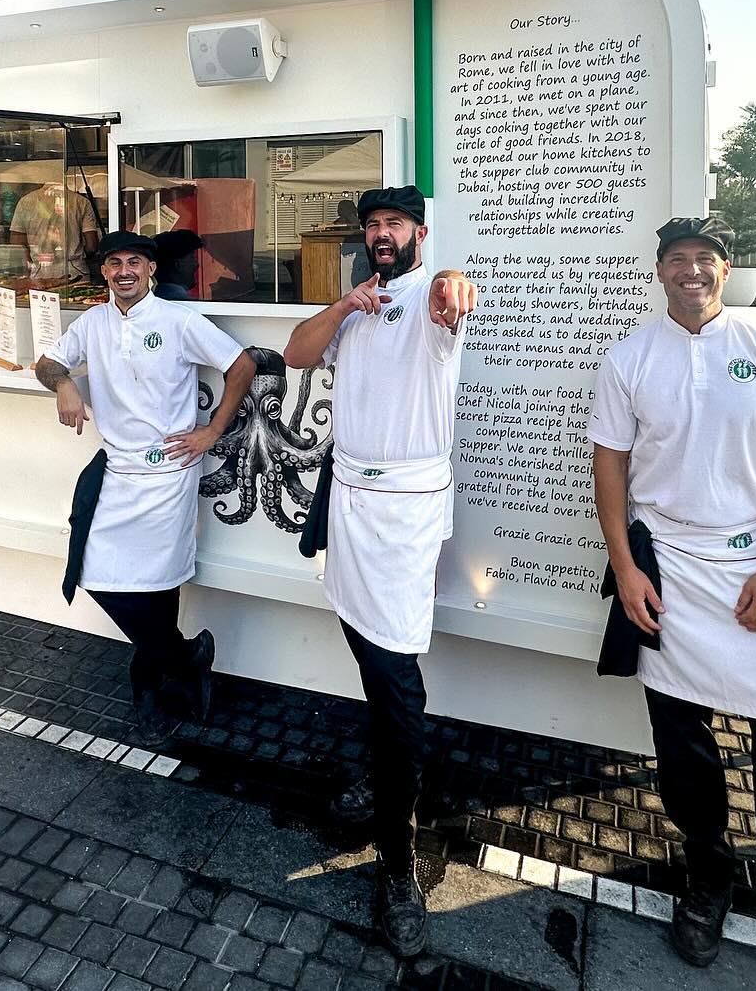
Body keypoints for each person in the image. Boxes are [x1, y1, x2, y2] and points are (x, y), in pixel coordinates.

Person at [590, 215, 756, 989]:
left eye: (704, 259)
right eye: (677, 260)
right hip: (667, 567)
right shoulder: (630, 357)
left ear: (725, 271)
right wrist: (627, 567)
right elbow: (609, 469)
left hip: (749, 566)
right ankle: (708, 875)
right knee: (683, 741)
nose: (691, 272)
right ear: (660, 271)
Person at [283, 185, 477, 958]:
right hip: (351, 504)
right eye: (373, 225)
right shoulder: (356, 307)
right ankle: (389, 776)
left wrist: (449, 289)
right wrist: (343, 307)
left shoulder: (433, 309)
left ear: (420, 232)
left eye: (395, 223)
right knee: (369, 650)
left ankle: (399, 861)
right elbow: (298, 352)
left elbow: (452, 298)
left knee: (396, 673)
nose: (383, 234)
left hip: (404, 515)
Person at [35, 231, 255, 748]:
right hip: (118, 469)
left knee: (158, 588)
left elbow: (242, 365)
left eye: (135, 261)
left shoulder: (178, 321)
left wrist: (212, 431)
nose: (124, 271)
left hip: (168, 472)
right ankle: (186, 657)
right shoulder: (91, 323)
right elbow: (47, 362)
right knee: (99, 577)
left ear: (151, 270)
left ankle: (148, 687)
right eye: (115, 263)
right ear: (105, 273)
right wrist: (63, 382)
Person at [11, 181, 101, 281]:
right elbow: (92, 246)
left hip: (40, 271)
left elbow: (17, 242)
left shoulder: (25, 201)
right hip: (74, 270)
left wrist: (30, 263)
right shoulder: (81, 202)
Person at [153, 229, 203, 300]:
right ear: (178, 264)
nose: (196, 264)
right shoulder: (186, 306)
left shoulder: (152, 302)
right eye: (192, 257)